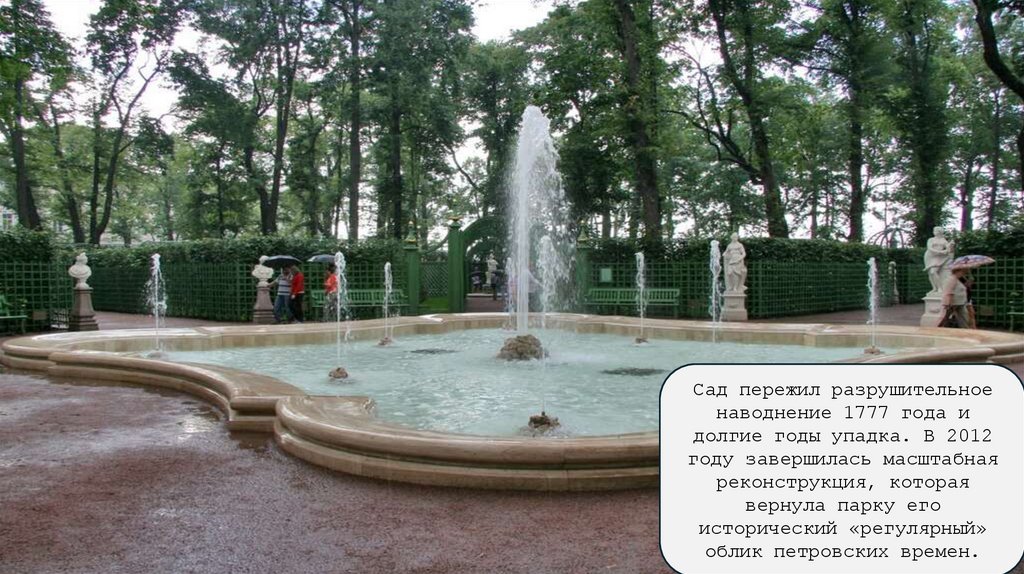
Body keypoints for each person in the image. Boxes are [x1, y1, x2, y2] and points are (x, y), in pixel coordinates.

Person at [924, 227, 954, 294]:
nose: (934, 232)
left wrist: (951, 245)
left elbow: (948, 249)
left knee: (933, 272)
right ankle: (934, 288)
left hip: (938, 257)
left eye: (936, 231)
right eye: (934, 231)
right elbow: (929, 248)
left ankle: (940, 288)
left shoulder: (944, 240)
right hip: (929, 256)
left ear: (940, 232)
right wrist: (940, 252)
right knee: (930, 273)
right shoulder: (931, 239)